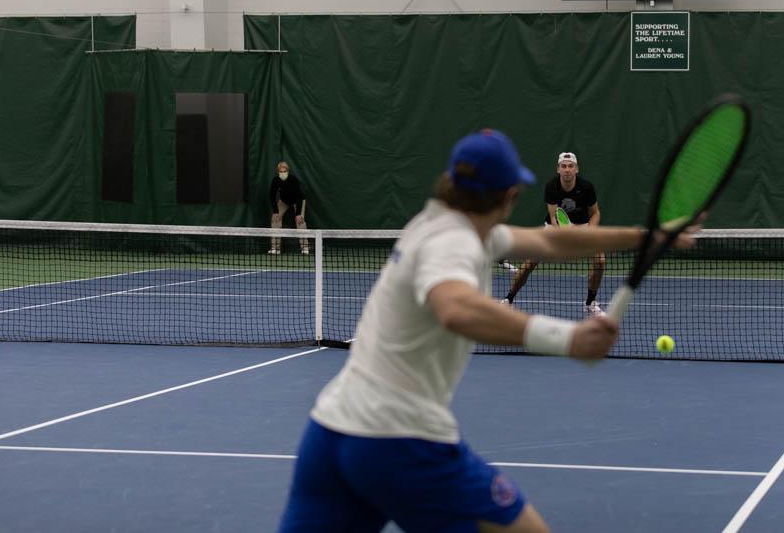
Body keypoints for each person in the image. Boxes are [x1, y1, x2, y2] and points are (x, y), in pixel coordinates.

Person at [278, 129, 701, 533]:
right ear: (509, 195)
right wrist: (567, 339)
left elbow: (553, 243)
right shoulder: (453, 242)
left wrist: (650, 237)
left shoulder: (446, 224)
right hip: (398, 437)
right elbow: (457, 308)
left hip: (332, 430)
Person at [501, 151, 606, 316]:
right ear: (558, 169)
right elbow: (554, 217)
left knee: (600, 260)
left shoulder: (586, 187)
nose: (567, 170)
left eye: (571, 166)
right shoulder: (552, 187)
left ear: (576, 169)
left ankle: (590, 303)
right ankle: (509, 299)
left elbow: (596, 213)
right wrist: (565, 235)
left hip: (582, 225)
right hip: (555, 226)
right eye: (563, 166)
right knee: (530, 262)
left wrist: (590, 232)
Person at [268, 161, 309, 255]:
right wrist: (275, 211)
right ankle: (275, 248)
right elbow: (272, 196)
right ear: (278, 172)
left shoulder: (293, 179)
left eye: (284, 171)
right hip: (284, 201)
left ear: (288, 171)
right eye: (281, 171)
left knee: (300, 221)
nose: (283, 173)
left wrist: (298, 213)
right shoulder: (275, 180)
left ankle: (305, 248)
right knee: (275, 220)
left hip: (298, 200)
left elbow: (299, 196)